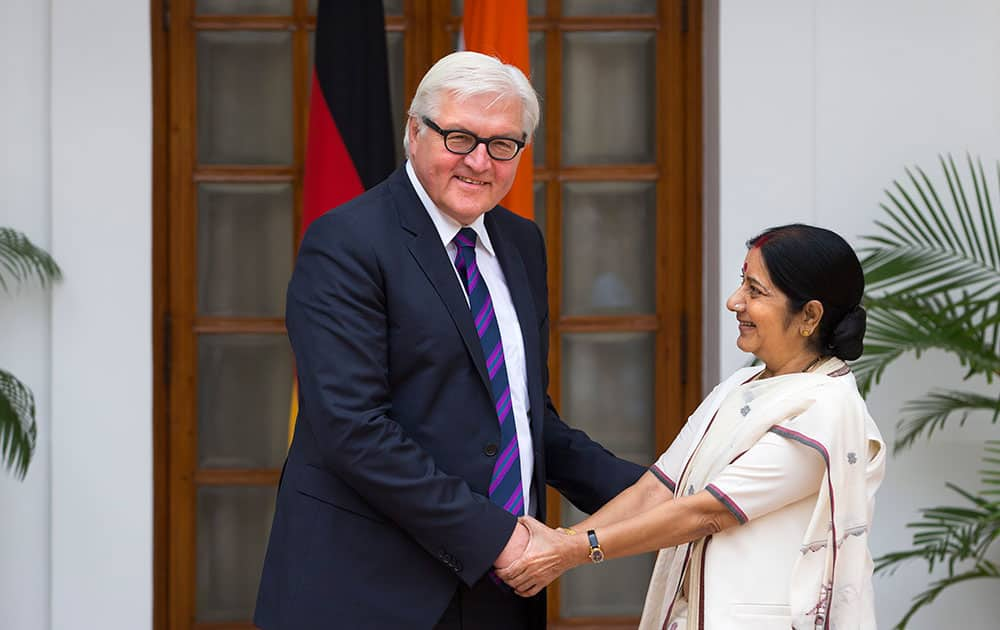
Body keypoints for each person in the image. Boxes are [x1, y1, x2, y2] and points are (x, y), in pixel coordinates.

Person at [253, 51, 644, 630]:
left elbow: (525, 418)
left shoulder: (520, 242)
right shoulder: (346, 242)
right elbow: (353, 429)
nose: (480, 162)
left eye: (503, 144)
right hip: (366, 591)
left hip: (499, 593)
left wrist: (662, 493)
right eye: (459, 138)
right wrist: (497, 538)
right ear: (415, 132)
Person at [497, 224, 887, 630]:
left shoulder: (827, 408)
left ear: (809, 314)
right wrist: (559, 542)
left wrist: (575, 550)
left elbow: (707, 513)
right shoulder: (739, 386)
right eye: (742, 283)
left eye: (755, 290)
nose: (735, 301)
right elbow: (658, 489)